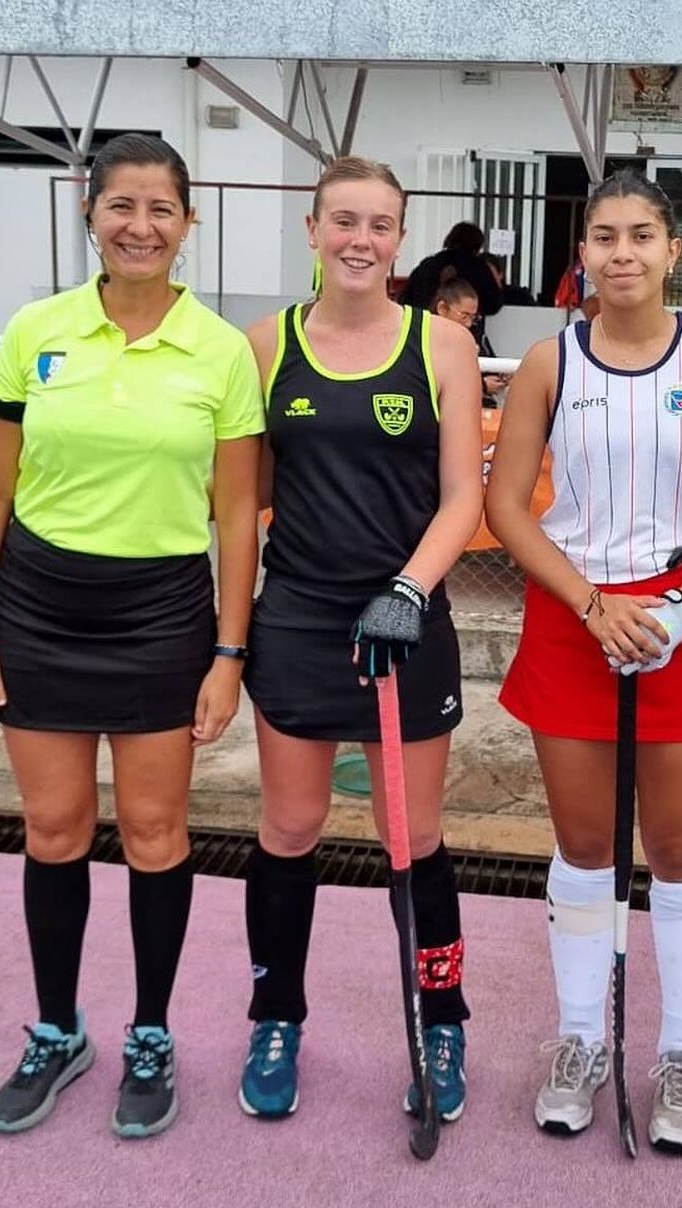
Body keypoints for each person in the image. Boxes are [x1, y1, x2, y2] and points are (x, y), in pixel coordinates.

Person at [0, 133, 264, 1138]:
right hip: (38, 611)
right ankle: (56, 1027)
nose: (140, 225)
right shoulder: (34, 331)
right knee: (52, 831)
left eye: (160, 209)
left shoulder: (220, 350)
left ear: (188, 222)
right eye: (121, 205)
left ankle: (149, 1032)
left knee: (153, 834)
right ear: (89, 214)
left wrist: (229, 654)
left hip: (162, 619)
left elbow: (233, 518)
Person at [486, 170, 682, 1155]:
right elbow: (504, 508)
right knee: (582, 846)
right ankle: (580, 1037)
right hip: (577, 613)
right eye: (603, 235)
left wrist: (681, 607)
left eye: (641, 234)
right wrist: (591, 603)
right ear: (583, 250)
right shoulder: (545, 361)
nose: (622, 252)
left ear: (672, 249)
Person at [236, 156, 484, 1127]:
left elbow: (463, 495)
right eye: (344, 220)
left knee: (412, 835)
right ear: (311, 228)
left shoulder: (441, 348)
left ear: (399, 237)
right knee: (291, 827)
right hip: (297, 618)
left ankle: (442, 1015)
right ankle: (276, 1015)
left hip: (405, 619)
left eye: (380, 224)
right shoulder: (265, 344)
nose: (360, 239)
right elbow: (237, 491)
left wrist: (407, 589)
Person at [398, 221, 504, 319]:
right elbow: (494, 303)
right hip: (465, 330)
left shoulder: (430, 264)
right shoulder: (479, 268)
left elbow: (406, 299)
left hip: (426, 325)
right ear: (478, 245)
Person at [432, 278, 507, 405]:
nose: (469, 323)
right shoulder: (424, 338)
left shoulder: (475, 335)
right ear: (442, 309)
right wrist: (482, 386)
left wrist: (503, 374)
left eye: (473, 317)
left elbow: (490, 363)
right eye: (464, 316)